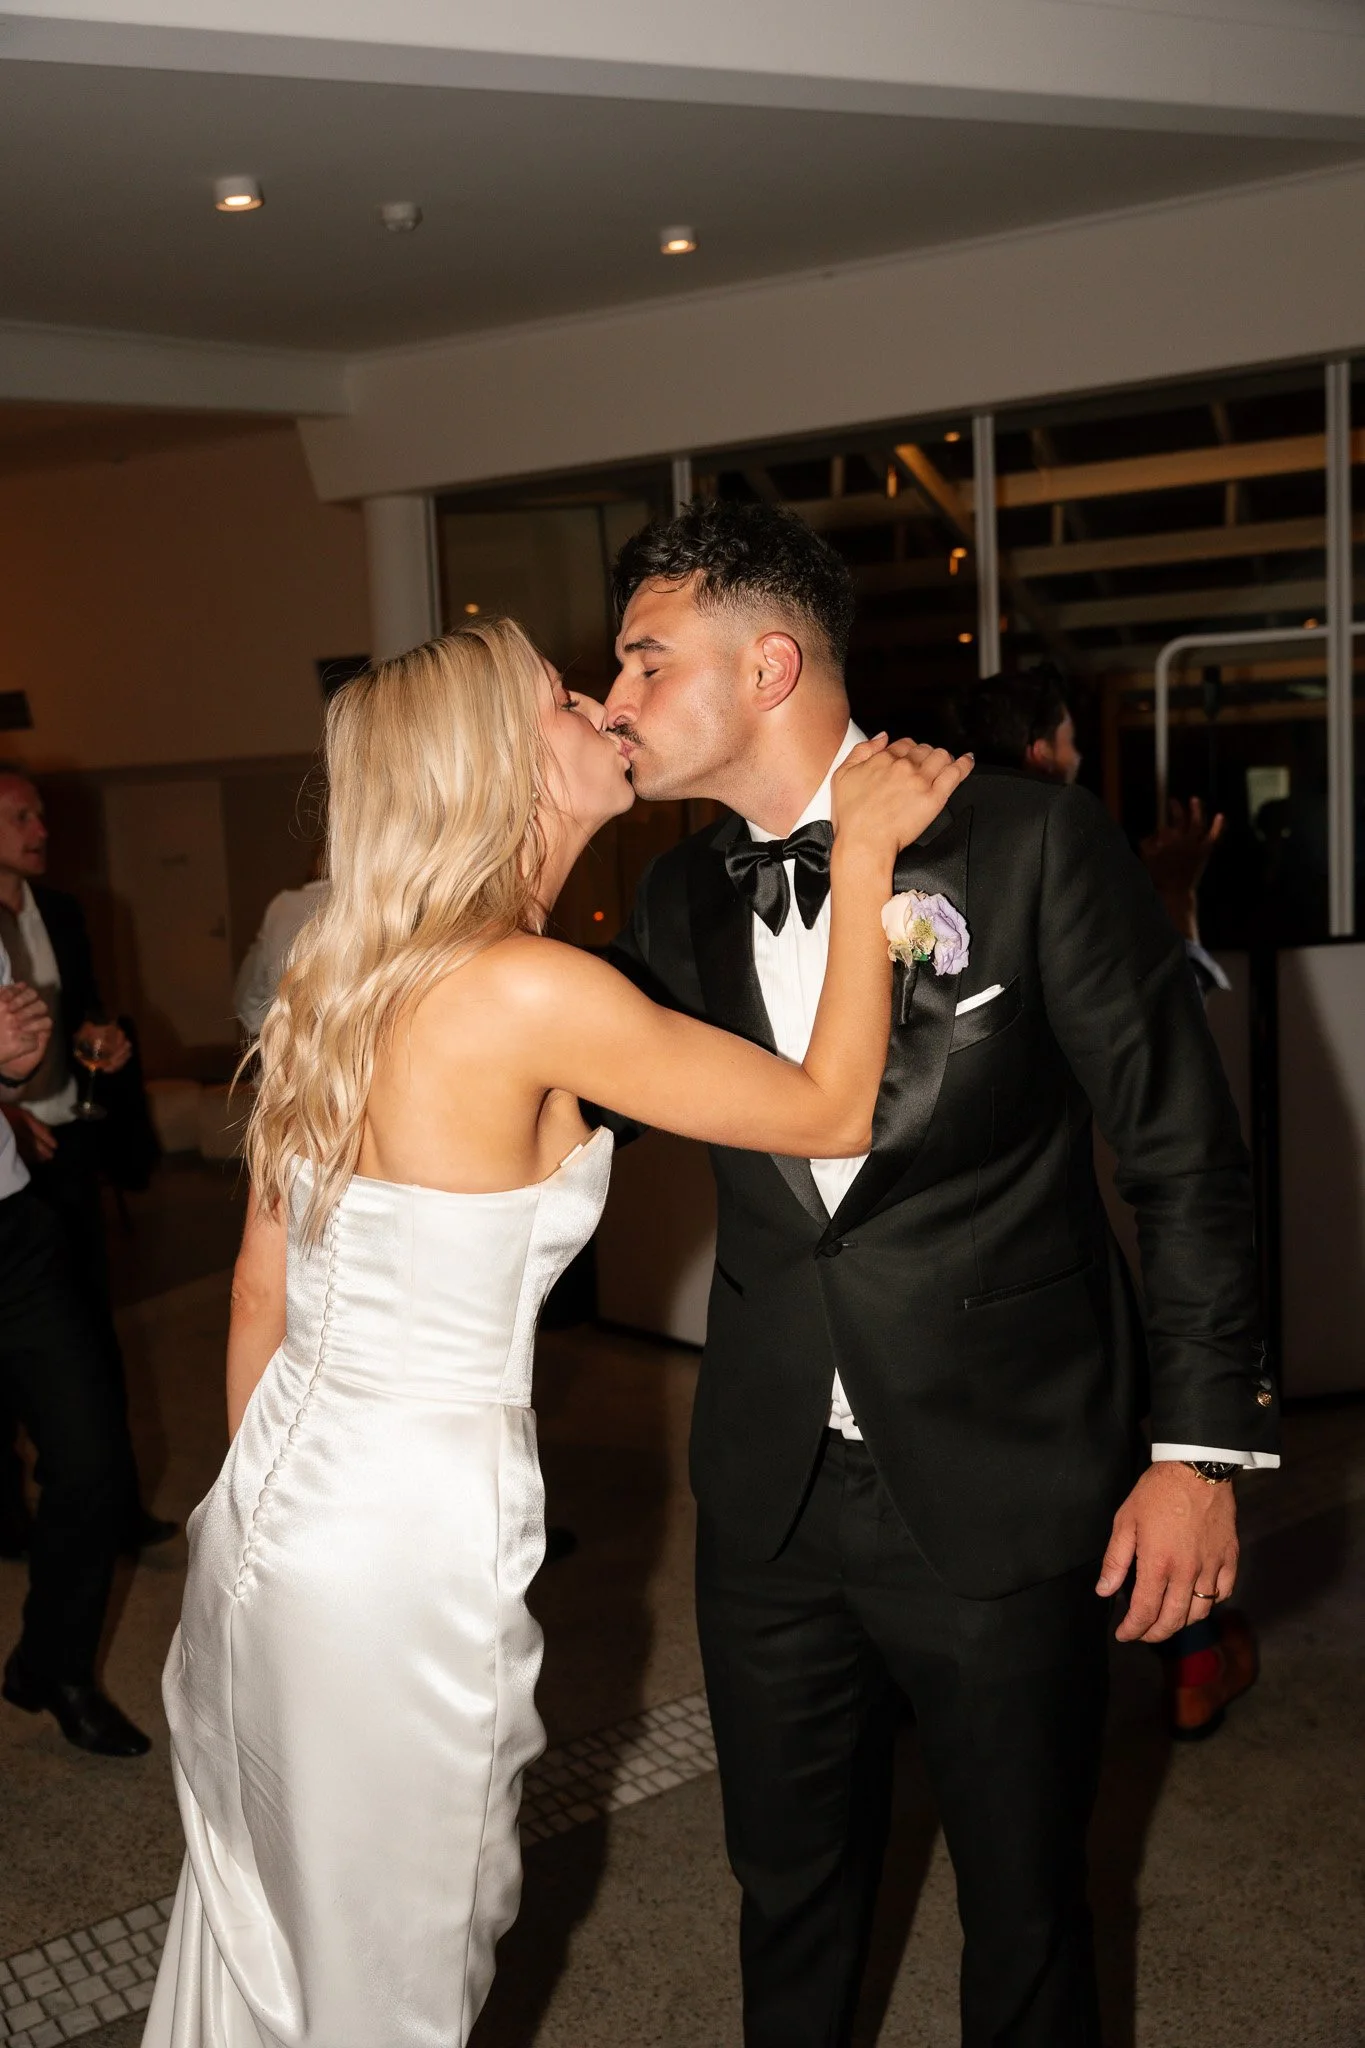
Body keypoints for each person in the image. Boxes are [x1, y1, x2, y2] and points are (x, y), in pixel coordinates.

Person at [144, 616, 969, 2047]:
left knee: (270, 1923)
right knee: (397, 1978)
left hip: (276, 1517)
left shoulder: (341, 969)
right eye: (560, 698)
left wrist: (264, 1520)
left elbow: (258, 1292)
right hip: (401, 1547)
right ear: (499, 765)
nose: (600, 705)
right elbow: (834, 1108)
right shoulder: (529, 989)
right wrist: (865, 857)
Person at [600, 501, 1278, 2048]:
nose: (616, 698)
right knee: (785, 1897)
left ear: (769, 664)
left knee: (1028, 1911)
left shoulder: (1033, 845)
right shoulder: (670, 900)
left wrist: (1197, 1450)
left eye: (644, 661)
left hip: (1006, 1475)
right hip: (767, 1495)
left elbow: (1178, 1154)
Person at [959, 666, 1262, 1740]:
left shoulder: (918, 849)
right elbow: (1162, 1072)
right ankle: (1185, 1655)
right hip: (1060, 1252)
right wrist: (1173, 894)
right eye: (1076, 743)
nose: (1080, 761)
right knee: (1120, 1451)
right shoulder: (1059, 840)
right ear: (1045, 751)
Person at [0, 764, 174, 1556]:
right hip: (6, 1149)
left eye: (41, 815)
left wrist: (99, 1038)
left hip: (65, 1138)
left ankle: (116, 1502)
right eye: (21, 818)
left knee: (87, 1329)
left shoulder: (61, 911)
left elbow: (83, 1009)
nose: (41, 831)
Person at [0, 947, 151, 1757]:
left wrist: (10, 1076)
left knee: (92, 1461)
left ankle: (53, 1665)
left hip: (11, 1227)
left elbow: (8, 1076)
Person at [233, 858, 330, 1039]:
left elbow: (246, 1000)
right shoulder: (374, 908)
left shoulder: (283, 906)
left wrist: (277, 1041)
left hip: (288, 1050)